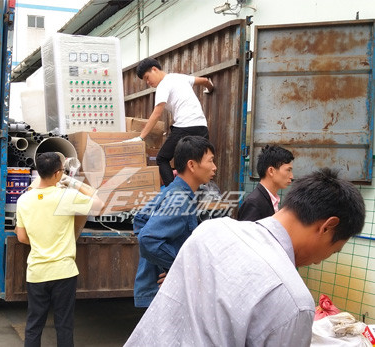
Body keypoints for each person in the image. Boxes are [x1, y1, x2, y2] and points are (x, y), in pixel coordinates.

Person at [124, 168, 365, 346]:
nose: (318, 261)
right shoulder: (294, 301)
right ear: (327, 227)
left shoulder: (212, 229)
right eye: (333, 251)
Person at [15, 152, 103, 347]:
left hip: (37, 272)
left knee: (34, 325)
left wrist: (42, 241)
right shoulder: (66, 196)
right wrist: (72, 183)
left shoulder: (24, 200)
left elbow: (21, 237)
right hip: (64, 272)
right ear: (58, 173)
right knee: (64, 325)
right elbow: (99, 203)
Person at [133, 136, 216, 308]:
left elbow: (140, 220)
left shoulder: (174, 190)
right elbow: (148, 239)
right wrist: (176, 267)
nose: (214, 167)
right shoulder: (180, 199)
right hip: (163, 295)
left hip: (157, 290)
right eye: (211, 161)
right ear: (192, 165)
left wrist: (156, 264)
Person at [126, 57, 214, 187]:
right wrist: (210, 89)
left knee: (162, 158)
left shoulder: (163, 85)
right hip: (202, 127)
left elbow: (157, 113)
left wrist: (141, 137)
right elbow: (205, 81)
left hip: (185, 126)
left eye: (147, 77)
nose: (148, 82)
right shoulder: (179, 77)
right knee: (196, 161)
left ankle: (174, 192)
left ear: (154, 69)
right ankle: (200, 191)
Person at [238, 144, 294, 221]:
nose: (291, 176)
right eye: (288, 170)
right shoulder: (254, 203)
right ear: (271, 171)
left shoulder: (271, 199)